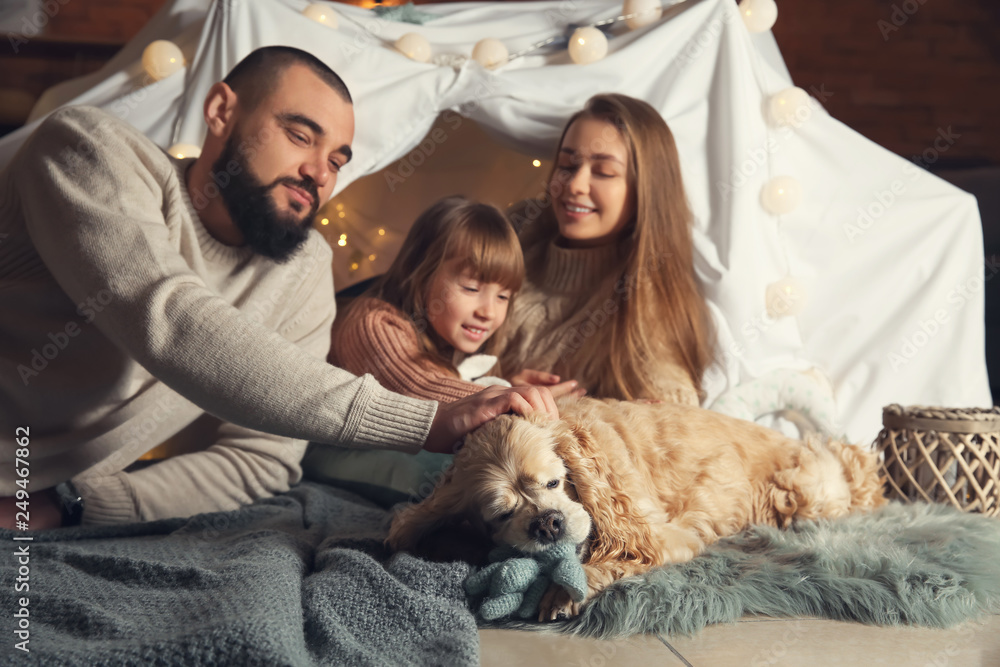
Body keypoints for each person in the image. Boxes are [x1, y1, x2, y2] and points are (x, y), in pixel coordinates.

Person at [0, 46, 554, 530]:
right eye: (300, 136)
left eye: (336, 160)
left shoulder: (304, 266)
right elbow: (167, 318)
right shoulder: (88, 148)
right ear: (221, 111)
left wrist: (72, 505)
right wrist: (424, 420)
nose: (320, 173)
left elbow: (261, 461)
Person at [499, 93, 716, 405]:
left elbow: (676, 416)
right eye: (567, 165)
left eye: (603, 172)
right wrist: (494, 386)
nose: (575, 185)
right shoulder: (517, 231)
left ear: (645, 191)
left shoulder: (644, 304)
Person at [329, 195, 582, 401]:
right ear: (421, 275)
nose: (489, 312)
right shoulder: (372, 323)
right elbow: (419, 388)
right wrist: (510, 398)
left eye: (503, 296)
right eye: (471, 288)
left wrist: (506, 385)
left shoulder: (448, 340)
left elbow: (448, 385)